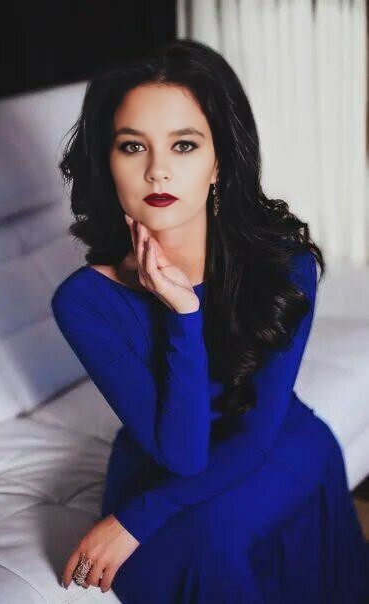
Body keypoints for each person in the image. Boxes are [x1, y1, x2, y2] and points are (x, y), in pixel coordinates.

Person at [50, 38, 369, 603]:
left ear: (219, 160)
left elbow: (255, 434)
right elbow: (182, 454)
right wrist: (182, 315)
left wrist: (133, 521)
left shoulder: (285, 265)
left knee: (217, 543)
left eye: (184, 145)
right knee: (198, 553)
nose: (157, 172)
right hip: (161, 455)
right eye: (132, 146)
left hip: (270, 440)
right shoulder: (84, 300)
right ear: (107, 161)